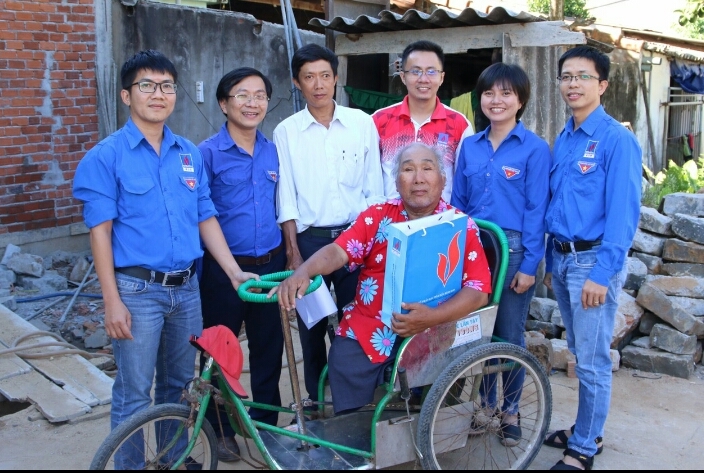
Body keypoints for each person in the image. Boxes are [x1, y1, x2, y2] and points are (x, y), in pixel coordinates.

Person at [73, 50, 257, 469]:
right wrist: (111, 300)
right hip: (137, 292)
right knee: (135, 391)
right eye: (147, 86)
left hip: (187, 290)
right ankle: (132, 466)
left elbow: (204, 215)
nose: (159, 94)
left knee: (179, 385)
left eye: (167, 86)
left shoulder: (188, 153)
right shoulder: (106, 156)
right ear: (126, 95)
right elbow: (99, 233)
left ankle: (173, 459)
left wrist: (232, 271)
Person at [272, 142, 492, 414]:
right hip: (373, 323)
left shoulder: (461, 225)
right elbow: (338, 251)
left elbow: (478, 291)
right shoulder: (378, 216)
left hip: (437, 324)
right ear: (396, 181)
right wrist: (303, 271)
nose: (418, 178)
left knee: (437, 370)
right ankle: (354, 429)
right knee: (342, 359)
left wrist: (432, 318)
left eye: (427, 168)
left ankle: (427, 421)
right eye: (408, 169)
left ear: (442, 179)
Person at [542, 46, 642, 471]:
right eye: (566, 76)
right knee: (579, 353)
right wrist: (550, 261)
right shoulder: (564, 137)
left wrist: (602, 273)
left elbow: (624, 214)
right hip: (563, 260)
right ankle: (585, 426)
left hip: (592, 262)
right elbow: (557, 204)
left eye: (582, 76)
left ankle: (585, 445)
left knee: (593, 357)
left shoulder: (617, 140)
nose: (572, 84)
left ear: (602, 84)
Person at [274, 43, 385, 406]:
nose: (318, 84)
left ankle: (360, 398)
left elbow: (374, 188)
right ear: (297, 83)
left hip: (357, 241)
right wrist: (293, 254)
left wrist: (374, 244)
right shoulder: (286, 132)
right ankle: (315, 399)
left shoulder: (361, 123)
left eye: (325, 76)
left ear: (336, 79)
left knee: (363, 321)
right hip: (310, 243)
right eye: (309, 77)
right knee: (312, 325)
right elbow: (286, 196)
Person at [451, 62, 551, 447]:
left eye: (507, 93)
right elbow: (459, 205)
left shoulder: (535, 149)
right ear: (481, 98)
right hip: (474, 250)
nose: (497, 100)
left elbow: (536, 211)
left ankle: (511, 411)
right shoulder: (470, 147)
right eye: (490, 93)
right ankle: (484, 406)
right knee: (477, 334)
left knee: (509, 335)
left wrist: (529, 266)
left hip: (513, 251)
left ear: (520, 100)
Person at [197, 67, 283, 462]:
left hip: (271, 264)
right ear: (223, 103)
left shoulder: (274, 149)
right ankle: (221, 427)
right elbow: (200, 215)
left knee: (270, 345)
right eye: (242, 95)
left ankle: (266, 423)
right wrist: (228, 269)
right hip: (222, 270)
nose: (253, 103)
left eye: (260, 95)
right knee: (220, 349)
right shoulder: (206, 154)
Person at [373, 40, 474, 201]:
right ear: (403, 77)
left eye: (431, 71)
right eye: (415, 71)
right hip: (389, 221)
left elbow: (464, 182)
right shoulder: (378, 121)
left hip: (440, 222)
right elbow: (370, 177)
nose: (423, 79)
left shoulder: (459, 124)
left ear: (441, 78)